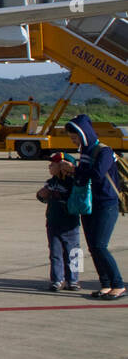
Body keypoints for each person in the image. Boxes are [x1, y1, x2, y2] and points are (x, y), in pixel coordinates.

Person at [66, 114, 125, 299]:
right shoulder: (84, 151)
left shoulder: (104, 151)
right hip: (89, 203)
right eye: (72, 138)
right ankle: (105, 284)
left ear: (85, 134)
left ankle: (118, 284)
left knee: (100, 245)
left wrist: (75, 169)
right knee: (93, 246)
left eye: (75, 137)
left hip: (106, 203)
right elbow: (83, 177)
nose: (73, 140)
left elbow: (98, 174)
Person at [35, 153, 80, 291]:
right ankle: (57, 279)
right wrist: (41, 195)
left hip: (70, 222)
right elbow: (43, 197)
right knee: (55, 252)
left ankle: (73, 280)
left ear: (62, 167)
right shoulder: (51, 182)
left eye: (53, 164)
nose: (49, 166)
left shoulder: (74, 182)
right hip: (53, 221)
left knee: (73, 252)